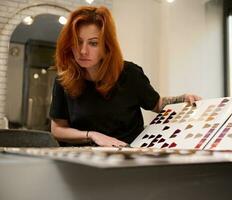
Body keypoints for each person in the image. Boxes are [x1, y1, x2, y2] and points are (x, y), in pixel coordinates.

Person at [49, 6, 201, 147]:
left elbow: (157, 104)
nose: (83, 51)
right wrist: (92, 135)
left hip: (128, 157)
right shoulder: (64, 80)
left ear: (106, 46)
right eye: (78, 42)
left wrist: (183, 99)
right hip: (82, 161)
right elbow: (58, 129)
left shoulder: (129, 74)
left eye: (93, 43)